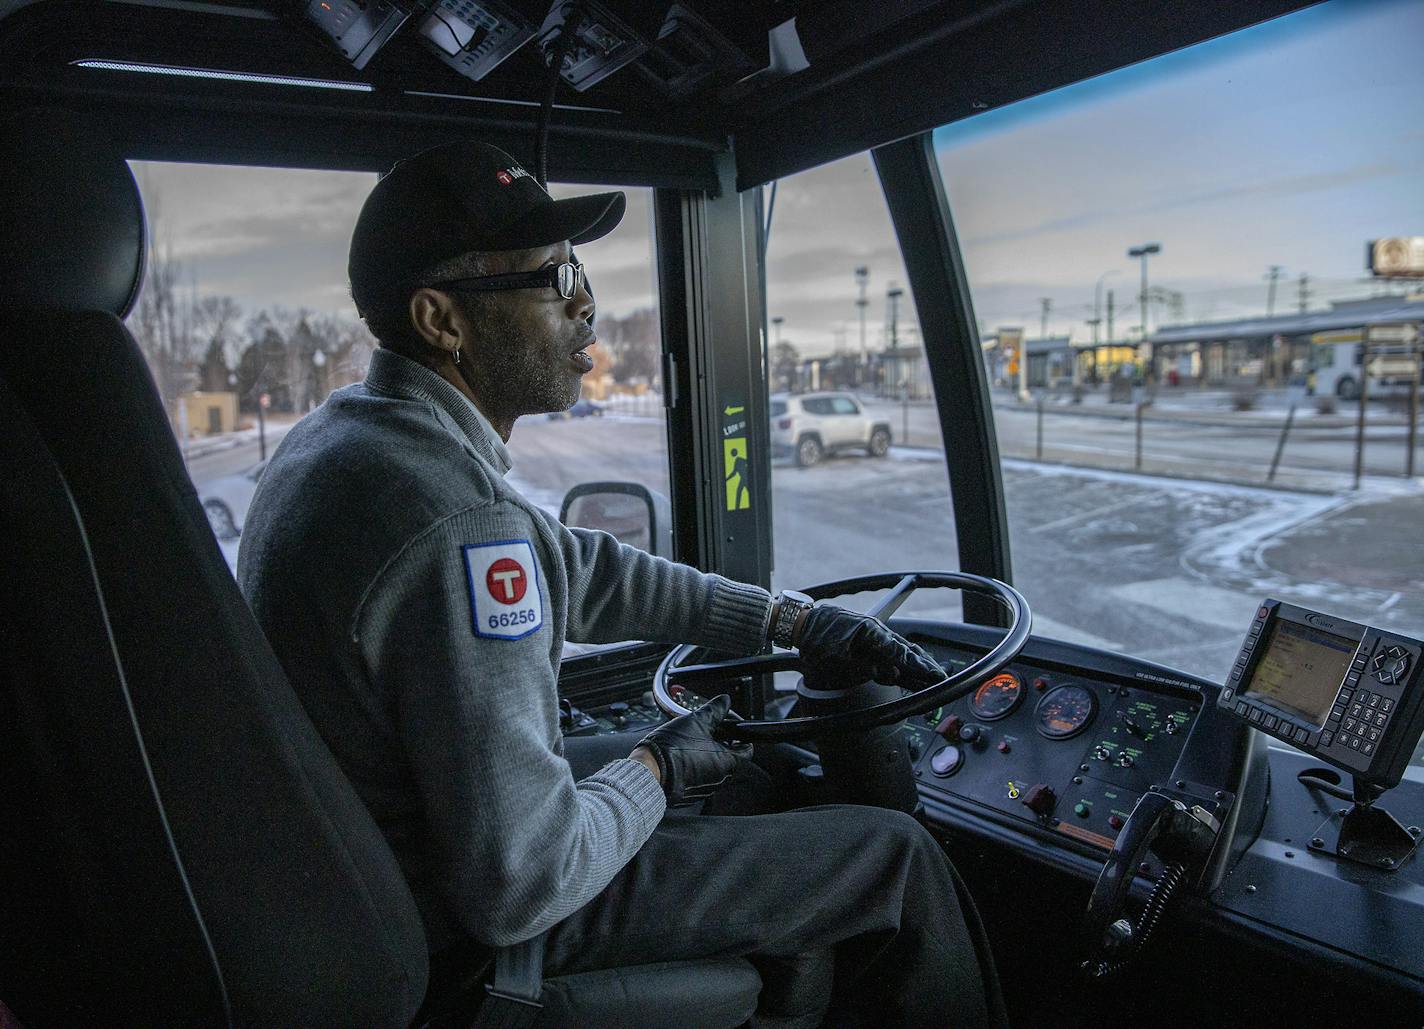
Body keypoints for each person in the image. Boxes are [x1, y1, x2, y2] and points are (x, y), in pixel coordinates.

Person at [237, 141, 1006, 1027]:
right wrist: (657, 763)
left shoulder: (351, 439)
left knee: (746, 783)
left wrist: (790, 621)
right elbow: (522, 884)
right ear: (441, 320)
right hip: (465, 930)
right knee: (894, 856)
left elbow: (581, 566)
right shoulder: (458, 529)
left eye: (580, 271)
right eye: (554, 278)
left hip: (387, 870)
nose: (586, 306)